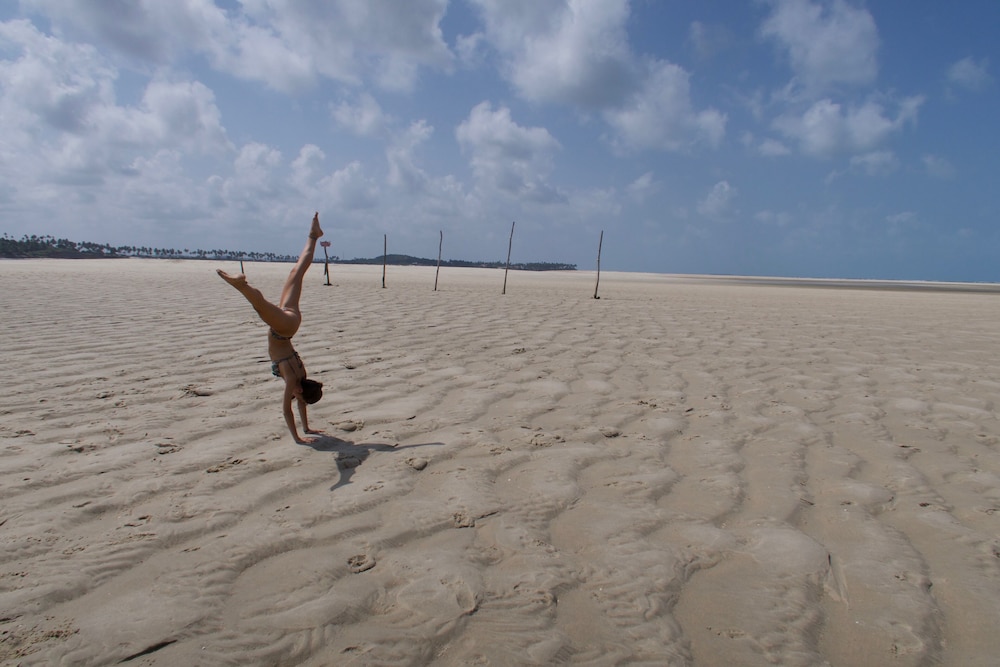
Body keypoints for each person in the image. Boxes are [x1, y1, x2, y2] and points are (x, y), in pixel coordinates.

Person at [217, 212, 325, 444]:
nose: (297, 399)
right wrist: (298, 438)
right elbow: (287, 410)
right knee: (261, 307)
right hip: (282, 329)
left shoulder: (303, 377)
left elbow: (302, 404)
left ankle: (313, 236)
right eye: (299, 397)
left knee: (296, 273)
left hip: (291, 323)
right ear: (299, 391)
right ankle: (242, 285)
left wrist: (307, 428)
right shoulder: (293, 381)